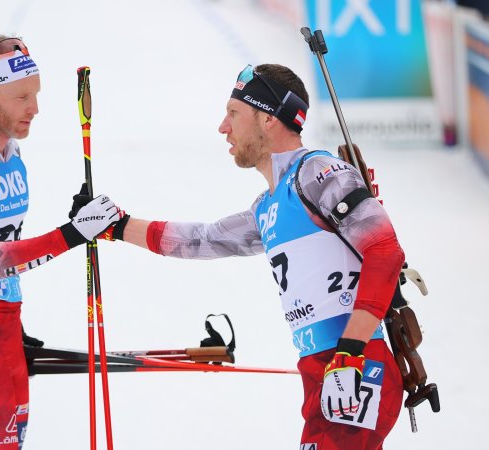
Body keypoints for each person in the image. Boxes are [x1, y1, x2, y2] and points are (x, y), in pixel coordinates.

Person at [103, 64, 405, 449]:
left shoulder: (318, 172)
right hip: (323, 367)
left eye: (233, 113)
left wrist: (350, 353)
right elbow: (204, 239)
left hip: (356, 364)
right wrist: (117, 225)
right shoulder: (269, 206)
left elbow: (385, 250)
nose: (222, 127)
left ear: (267, 118)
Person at [0, 33, 122, 450]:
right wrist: (71, 235)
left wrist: (12, 315)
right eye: (20, 97)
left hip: (3, 327)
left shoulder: (8, 151)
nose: (34, 108)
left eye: (35, 94)